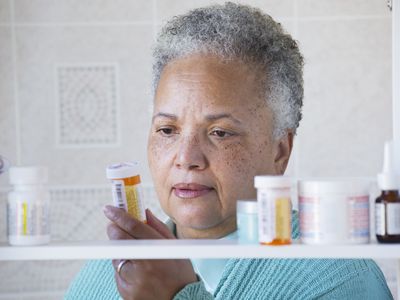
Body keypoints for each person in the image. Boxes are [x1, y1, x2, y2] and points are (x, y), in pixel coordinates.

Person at [65, 2, 393, 299]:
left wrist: (178, 296)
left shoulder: (337, 278)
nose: (186, 158)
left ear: (281, 151)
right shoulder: (107, 275)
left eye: (220, 133)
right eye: (167, 130)